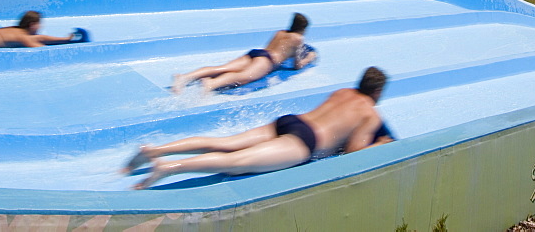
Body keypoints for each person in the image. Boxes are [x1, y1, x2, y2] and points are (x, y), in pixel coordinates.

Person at [128, 67, 392, 189]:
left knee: (223, 142)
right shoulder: (369, 113)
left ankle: (155, 151)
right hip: (304, 142)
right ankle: (168, 168)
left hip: (290, 121)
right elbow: (354, 152)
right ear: (378, 91)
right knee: (235, 162)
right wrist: (380, 144)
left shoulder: (343, 92)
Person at [171, 13, 315, 94]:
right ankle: (211, 83)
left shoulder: (280, 32)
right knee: (245, 76)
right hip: (268, 60)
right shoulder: (298, 38)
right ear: (303, 29)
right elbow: (297, 65)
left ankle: (184, 77)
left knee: (222, 68)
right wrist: (307, 58)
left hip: (257, 53)